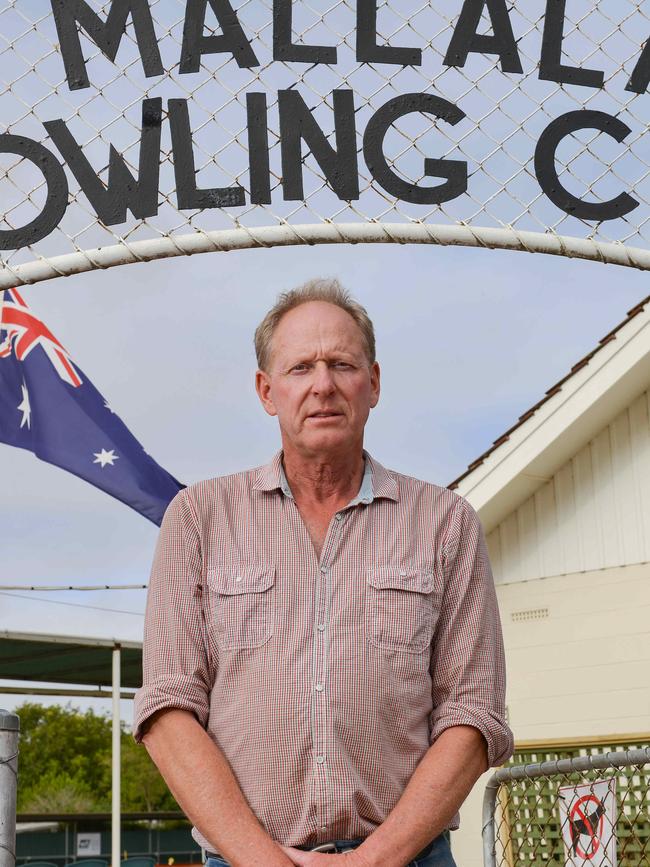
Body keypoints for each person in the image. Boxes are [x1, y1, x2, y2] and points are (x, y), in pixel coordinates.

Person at [133, 279, 514, 867]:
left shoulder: (445, 523)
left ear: (375, 383)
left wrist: (373, 860)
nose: (322, 385)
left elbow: (473, 712)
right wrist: (264, 860)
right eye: (300, 368)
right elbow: (168, 709)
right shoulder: (199, 519)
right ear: (267, 390)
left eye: (342, 363)